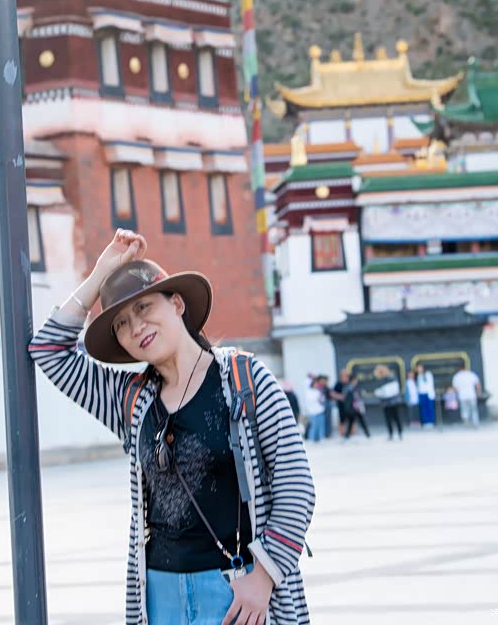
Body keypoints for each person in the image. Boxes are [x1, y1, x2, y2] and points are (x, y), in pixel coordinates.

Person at [29, 229, 315, 625]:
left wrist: (264, 578)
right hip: (160, 597)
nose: (136, 327)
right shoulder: (131, 401)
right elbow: (49, 351)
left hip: (237, 591)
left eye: (144, 307)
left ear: (177, 303)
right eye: (122, 323)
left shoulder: (245, 380)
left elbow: (296, 485)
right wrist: (100, 273)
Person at [373, 364, 403, 441]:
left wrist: (383, 392)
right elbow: (378, 392)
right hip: (385, 404)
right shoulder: (380, 380)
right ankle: (391, 434)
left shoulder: (391, 378)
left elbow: (393, 391)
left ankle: (400, 433)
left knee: (396, 418)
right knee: (388, 420)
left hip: (394, 403)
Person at [451, 362, 482, 427]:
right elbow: (477, 384)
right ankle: (475, 423)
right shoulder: (471, 374)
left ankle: (467, 422)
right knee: (473, 409)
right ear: (465, 367)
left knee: (465, 410)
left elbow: (455, 388)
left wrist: (457, 393)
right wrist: (478, 393)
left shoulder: (457, 376)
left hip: (462, 396)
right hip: (471, 395)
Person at [343, 373, 371, 440]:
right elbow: (349, 399)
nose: (356, 381)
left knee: (355, 421)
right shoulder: (349, 388)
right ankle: (367, 435)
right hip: (353, 408)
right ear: (352, 380)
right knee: (354, 421)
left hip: (356, 407)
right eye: (355, 380)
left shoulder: (354, 387)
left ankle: (367, 435)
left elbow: (358, 398)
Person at [304, 378, 326, 443]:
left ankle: (321, 437)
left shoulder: (318, 391)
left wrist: (321, 398)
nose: (316, 385)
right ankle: (312, 438)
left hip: (320, 410)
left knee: (321, 425)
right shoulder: (309, 392)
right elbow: (309, 401)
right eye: (315, 384)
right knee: (313, 426)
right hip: (312, 411)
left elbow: (322, 399)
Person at [331, 368, 351, 436]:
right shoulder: (338, 384)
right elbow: (332, 394)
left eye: (347, 375)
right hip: (342, 406)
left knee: (352, 419)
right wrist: (340, 397)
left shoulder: (349, 384)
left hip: (350, 406)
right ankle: (342, 433)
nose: (347, 377)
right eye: (345, 375)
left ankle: (351, 432)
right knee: (342, 420)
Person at [415, 363, 436, 427]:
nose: (418, 369)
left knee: (430, 408)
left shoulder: (428, 374)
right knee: (423, 408)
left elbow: (430, 384)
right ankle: (426, 421)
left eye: (419, 368)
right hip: (421, 394)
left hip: (428, 393)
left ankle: (431, 421)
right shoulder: (418, 376)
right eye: (417, 368)